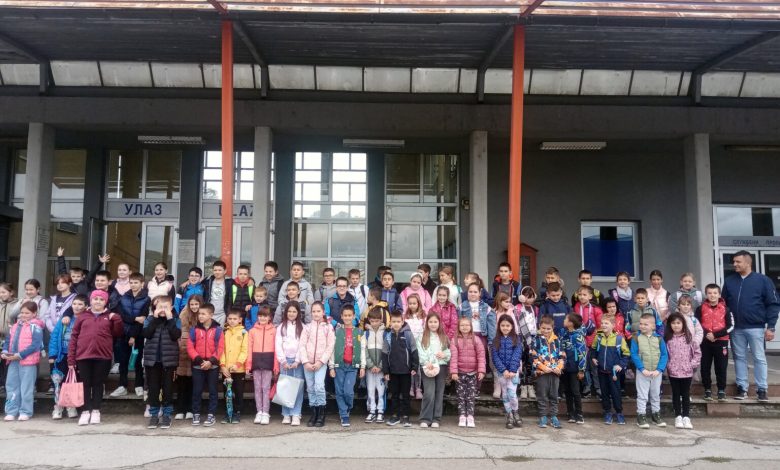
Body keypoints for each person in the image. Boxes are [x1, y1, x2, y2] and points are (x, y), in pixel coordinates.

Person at [722, 251, 780, 402]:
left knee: (759, 358)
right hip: (736, 328)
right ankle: (742, 388)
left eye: (738, 262)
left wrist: (771, 326)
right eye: (734, 261)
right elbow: (723, 305)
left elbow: (773, 304)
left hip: (756, 327)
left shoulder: (763, 280)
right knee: (739, 358)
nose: (734, 264)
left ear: (748, 263)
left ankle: (762, 390)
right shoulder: (729, 281)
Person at [68, 290, 123, 425]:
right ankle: (85, 411)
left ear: (106, 302)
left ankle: (96, 410)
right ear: (90, 301)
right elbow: (74, 337)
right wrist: (71, 358)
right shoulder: (82, 316)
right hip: (83, 355)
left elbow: (118, 333)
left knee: (98, 384)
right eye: (95, 299)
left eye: (101, 299)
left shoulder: (109, 316)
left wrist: (117, 320)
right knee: (85, 384)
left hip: (103, 356)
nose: (98, 301)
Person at [142, 295, 181, 430]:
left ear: (171, 308)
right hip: (152, 361)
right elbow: (147, 334)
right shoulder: (150, 319)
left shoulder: (175, 320)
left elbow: (176, 335)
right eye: (160, 307)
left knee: (168, 389)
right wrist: (154, 318)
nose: (163, 310)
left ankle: (167, 415)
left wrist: (170, 319)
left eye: (166, 307)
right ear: (155, 308)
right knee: (153, 389)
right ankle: (154, 415)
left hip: (169, 361)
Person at [2, 301, 43, 421]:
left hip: (28, 362)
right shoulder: (15, 326)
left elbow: (35, 345)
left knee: (26, 387)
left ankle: (25, 411)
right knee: (11, 385)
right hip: (13, 361)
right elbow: (8, 340)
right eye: (22, 312)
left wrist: (20, 355)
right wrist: (5, 351)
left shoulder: (36, 327)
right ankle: (11, 411)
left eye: (27, 313)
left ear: (34, 314)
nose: (23, 315)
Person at [49, 294, 86, 420]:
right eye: (74, 304)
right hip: (61, 355)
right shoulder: (64, 319)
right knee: (58, 381)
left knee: (72, 382)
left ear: (86, 306)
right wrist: (52, 354)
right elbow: (54, 337)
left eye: (80, 304)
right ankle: (58, 407)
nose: (77, 306)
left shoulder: (85, 319)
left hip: (76, 356)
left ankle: (71, 406)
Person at [187, 302, 224, 427]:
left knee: (213, 391)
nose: (200, 316)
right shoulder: (194, 329)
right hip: (198, 365)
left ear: (211, 315)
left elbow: (220, 348)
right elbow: (190, 347)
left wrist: (211, 361)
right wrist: (199, 360)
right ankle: (196, 413)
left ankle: (211, 414)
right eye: (199, 314)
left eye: (203, 314)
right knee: (197, 391)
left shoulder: (218, 330)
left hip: (213, 366)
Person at [113, 272, 149, 398]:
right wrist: (134, 318)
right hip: (123, 332)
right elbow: (121, 316)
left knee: (138, 361)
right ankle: (122, 386)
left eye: (136, 283)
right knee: (123, 361)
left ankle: (139, 385)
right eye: (131, 282)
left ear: (142, 284)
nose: (133, 285)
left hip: (138, 334)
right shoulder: (124, 297)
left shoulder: (146, 299)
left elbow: (142, 320)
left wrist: (133, 336)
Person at [695, 283, 734, 401]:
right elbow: (696, 323)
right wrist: (708, 334)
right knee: (705, 366)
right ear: (706, 294)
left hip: (721, 342)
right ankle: (707, 389)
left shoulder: (726, 309)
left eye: (715, 293)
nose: (712, 295)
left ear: (719, 294)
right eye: (709, 293)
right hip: (705, 342)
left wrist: (716, 335)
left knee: (721, 367)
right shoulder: (700, 308)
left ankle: (721, 390)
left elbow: (730, 326)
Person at [299, 301, 334, 427]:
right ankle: (314, 412)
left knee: (319, 386)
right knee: (310, 387)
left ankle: (321, 413)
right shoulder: (307, 327)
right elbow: (302, 345)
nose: (316, 313)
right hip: (308, 363)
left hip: (321, 363)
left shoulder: (328, 327)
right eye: (313, 311)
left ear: (323, 312)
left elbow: (330, 346)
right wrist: (305, 361)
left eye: (318, 311)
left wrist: (321, 361)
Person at [631, 313, 669, 429]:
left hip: (656, 372)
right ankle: (641, 416)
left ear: (653, 326)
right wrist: (642, 369)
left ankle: (656, 415)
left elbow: (664, 355)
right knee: (642, 395)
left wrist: (659, 369)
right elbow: (634, 354)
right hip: (643, 372)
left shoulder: (659, 339)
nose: (642, 326)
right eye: (641, 324)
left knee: (655, 394)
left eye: (645, 324)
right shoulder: (636, 338)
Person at [665, 312, 701, 430]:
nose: (676, 325)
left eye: (678, 323)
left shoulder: (689, 338)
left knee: (686, 394)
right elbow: (664, 354)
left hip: (687, 372)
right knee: (675, 394)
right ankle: (678, 416)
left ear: (683, 324)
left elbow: (697, 353)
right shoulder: (668, 339)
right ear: (670, 325)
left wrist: (692, 365)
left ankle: (686, 416)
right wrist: (668, 365)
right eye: (673, 323)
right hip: (673, 372)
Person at [591, 314, 629, 425]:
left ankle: (619, 413)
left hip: (614, 373)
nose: (603, 325)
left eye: (606, 323)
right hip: (601, 372)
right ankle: (607, 412)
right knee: (604, 393)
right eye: (602, 323)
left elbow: (626, 354)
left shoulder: (619, 339)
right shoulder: (598, 337)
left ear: (613, 325)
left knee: (616, 393)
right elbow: (593, 349)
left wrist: (621, 365)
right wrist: (593, 358)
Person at [383, 311, 419, 427]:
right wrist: (386, 371)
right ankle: (395, 416)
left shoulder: (408, 334)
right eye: (394, 321)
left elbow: (414, 350)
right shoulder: (388, 336)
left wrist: (414, 366)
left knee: (405, 395)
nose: (396, 324)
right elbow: (384, 353)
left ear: (402, 322)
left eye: (398, 321)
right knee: (394, 394)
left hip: (406, 371)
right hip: (393, 371)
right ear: (390, 322)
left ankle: (406, 416)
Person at [329, 305, 363, 427]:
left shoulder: (359, 332)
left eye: (350, 315)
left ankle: (348, 406)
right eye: (345, 315)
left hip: (352, 367)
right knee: (339, 391)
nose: (347, 318)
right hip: (339, 366)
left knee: (348, 392)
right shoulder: (337, 331)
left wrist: (362, 366)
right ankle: (344, 414)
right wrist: (331, 367)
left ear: (354, 316)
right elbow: (332, 350)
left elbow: (362, 349)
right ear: (341, 317)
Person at [417, 312, 450, 428]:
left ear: (439, 323)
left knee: (439, 393)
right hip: (428, 367)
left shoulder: (443, 336)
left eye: (435, 322)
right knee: (429, 393)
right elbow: (420, 351)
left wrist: (444, 354)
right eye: (430, 322)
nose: (433, 324)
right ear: (427, 323)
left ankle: (436, 418)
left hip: (441, 366)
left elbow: (448, 351)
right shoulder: (422, 336)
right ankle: (426, 418)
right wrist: (426, 362)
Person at [246, 306, 279, 425]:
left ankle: (266, 412)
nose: (262, 318)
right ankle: (259, 411)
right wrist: (248, 365)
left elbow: (276, 349)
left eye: (265, 316)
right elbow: (249, 349)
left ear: (270, 317)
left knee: (266, 388)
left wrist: (276, 365)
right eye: (260, 316)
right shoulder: (252, 331)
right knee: (257, 388)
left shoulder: (274, 330)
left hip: (268, 361)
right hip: (256, 361)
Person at [531, 315, 565, 429]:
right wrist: (542, 367)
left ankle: (554, 416)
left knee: (554, 395)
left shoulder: (557, 340)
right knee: (542, 395)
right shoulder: (536, 340)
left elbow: (562, 356)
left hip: (555, 373)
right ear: (539, 327)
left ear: (553, 328)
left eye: (548, 328)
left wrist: (559, 367)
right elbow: (533, 356)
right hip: (542, 373)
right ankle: (543, 416)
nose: (546, 331)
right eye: (543, 328)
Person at [275, 301, 305, 425]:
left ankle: (296, 414)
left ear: (298, 313)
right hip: (285, 361)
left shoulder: (303, 327)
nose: (291, 313)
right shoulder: (281, 327)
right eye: (289, 311)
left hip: (298, 362)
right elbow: (278, 345)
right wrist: (283, 360)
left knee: (298, 388)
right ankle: (286, 414)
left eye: (294, 311)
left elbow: (302, 345)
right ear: (285, 312)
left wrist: (298, 360)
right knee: (285, 387)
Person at [491, 314, 523, 429]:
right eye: (503, 325)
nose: (505, 328)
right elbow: (495, 357)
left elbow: (517, 355)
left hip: (513, 373)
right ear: (499, 326)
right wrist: (503, 370)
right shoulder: (495, 340)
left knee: (512, 394)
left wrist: (512, 370)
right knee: (505, 394)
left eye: (507, 325)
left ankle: (515, 412)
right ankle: (509, 415)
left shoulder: (516, 339)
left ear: (512, 326)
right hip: (502, 373)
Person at [174, 295, 202, 420]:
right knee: (181, 382)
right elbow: (179, 334)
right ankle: (180, 409)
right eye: (192, 304)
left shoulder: (202, 315)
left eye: (196, 304)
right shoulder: (183, 315)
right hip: (183, 353)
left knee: (193, 383)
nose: (194, 307)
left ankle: (190, 409)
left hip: (196, 354)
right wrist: (181, 346)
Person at [219, 308, 248, 424]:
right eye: (230, 318)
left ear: (240, 320)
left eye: (234, 319)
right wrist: (222, 366)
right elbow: (221, 350)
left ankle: (237, 413)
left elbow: (244, 351)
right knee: (227, 392)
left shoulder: (244, 333)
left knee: (238, 392)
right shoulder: (224, 332)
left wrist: (238, 364)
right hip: (226, 370)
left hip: (239, 370)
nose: (232, 321)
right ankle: (228, 412)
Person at [572, 286, 600, 397]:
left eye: (585, 295)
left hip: (592, 342)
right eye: (580, 294)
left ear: (590, 296)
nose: (582, 297)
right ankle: (587, 386)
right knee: (584, 367)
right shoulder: (576, 307)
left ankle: (598, 388)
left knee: (594, 366)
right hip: (579, 342)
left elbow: (600, 327)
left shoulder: (595, 309)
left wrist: (595, 341)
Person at [560, 313, 587, 424]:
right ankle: (570, 413)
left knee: (576, 391)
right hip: (565, 368)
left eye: (566, 319)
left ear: (571, 323)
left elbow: (582, 353)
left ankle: (579, 414)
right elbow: (561, 350)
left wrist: (581, 369)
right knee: (567, 391)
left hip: (575, 368)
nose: (564, 320)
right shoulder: (564, 335)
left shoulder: (578, 336)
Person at [362, 307, 387, 424]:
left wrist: (380, 366)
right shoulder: (366, 334)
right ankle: (372, 410)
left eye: (377, 321)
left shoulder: (386, 334)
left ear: (381, 320)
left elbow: (387, 351)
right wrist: (371, 365)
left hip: (381, 368)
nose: (375, 323)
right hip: (370, 368)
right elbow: (364, 350)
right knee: (370, 389)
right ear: (369, 321)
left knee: (381, 389)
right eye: (372, 321)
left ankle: (380, 411)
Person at [515, 286, 538, 399]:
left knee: (530, 362)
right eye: (527, 297)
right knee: (521, 362)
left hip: (532, 338)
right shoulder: (518, 308)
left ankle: (530, 385)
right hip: (521, 338)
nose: (529, 299)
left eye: (531, 297)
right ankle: (523, 386)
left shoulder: (535, 309)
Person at [403, 293, 426, 399]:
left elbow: (425, 331)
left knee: (417, 367)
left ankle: (418, 388)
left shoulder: (423, 316)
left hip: (419, 345)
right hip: (408, 345)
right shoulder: (405, 316)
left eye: (414, 303)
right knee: (410, 366)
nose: (412, 305)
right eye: (410, 303)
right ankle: (411, 387)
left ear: (418, 303)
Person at [201, 260, 234, 327]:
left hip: (223, 314)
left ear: (225, 271)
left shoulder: (230, 282)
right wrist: (187, 281)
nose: (217, 272)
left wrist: (251, 280)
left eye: (220, 270)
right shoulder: (208, 281)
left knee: (220, 332)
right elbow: (196, 282)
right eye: (215, 270)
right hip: (209, 313)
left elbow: (241, 282)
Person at [0, 283, 17, 390]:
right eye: (0, 292)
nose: (1, 294)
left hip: (10, 338)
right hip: (0, 337)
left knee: (7, 361)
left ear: (11, 293)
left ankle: (6, 383)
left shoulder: (16, 304)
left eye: (3, 292)